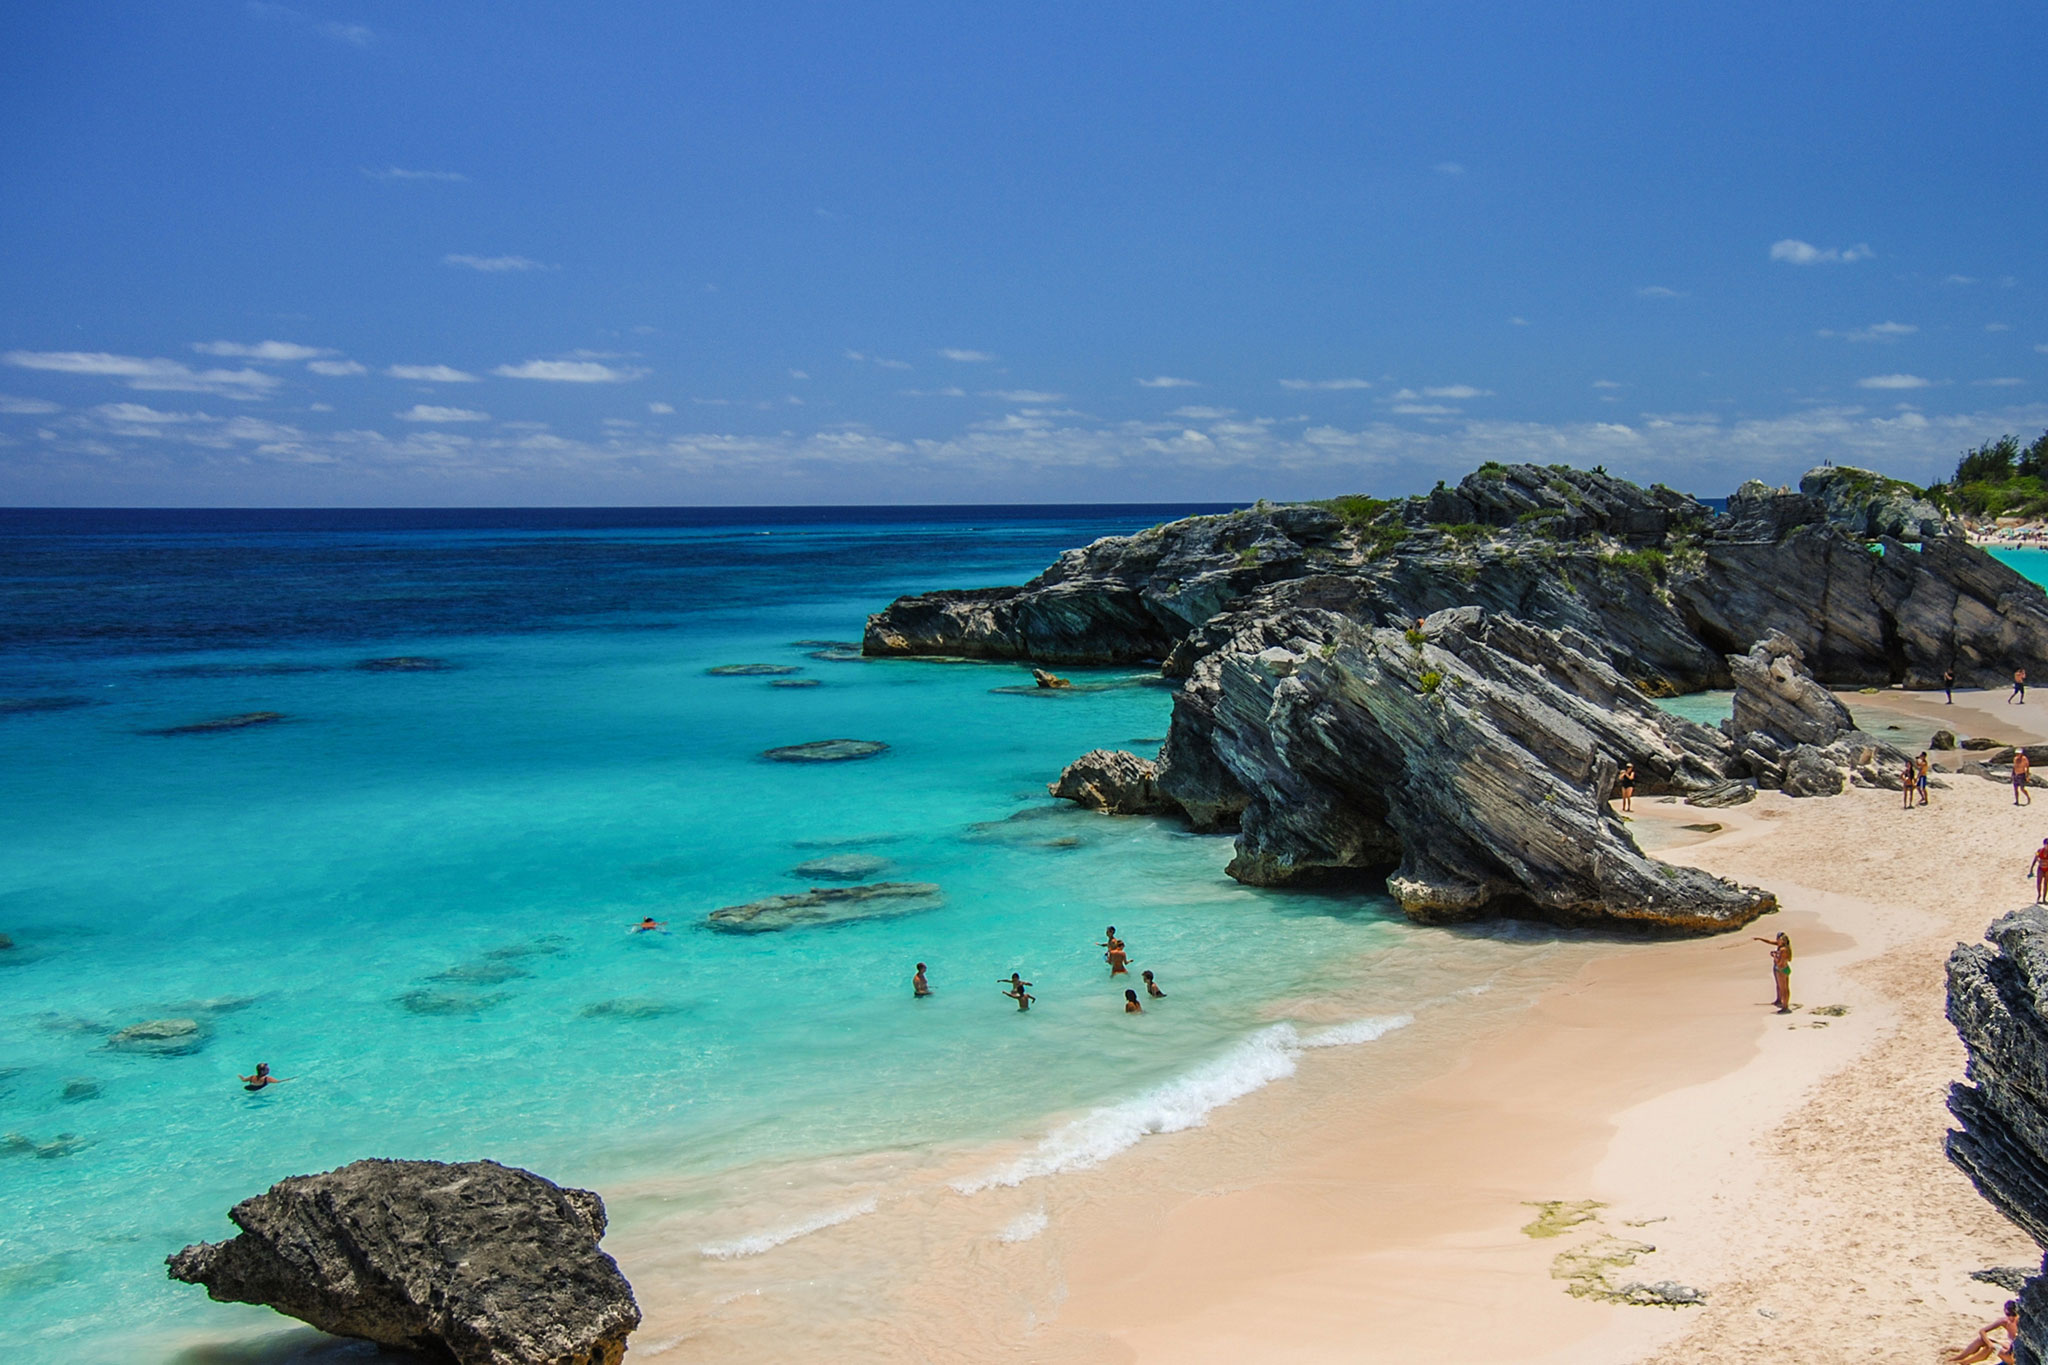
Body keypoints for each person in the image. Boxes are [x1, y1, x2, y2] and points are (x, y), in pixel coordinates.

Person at [1949, 1299, 2018, 1363]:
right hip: (2009, 1349)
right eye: (2008, 1315)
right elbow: (1982, 1331)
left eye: (2013, 1315)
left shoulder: (2021, 1323)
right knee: (1982, 1340)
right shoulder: (2005, 1321)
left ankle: (1964, 1362)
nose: (2011, 1317)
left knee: (1993, 1347)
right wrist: (1989, 1343)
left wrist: (1992, 1345)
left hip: (2015, 1357)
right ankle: (1958, 1358)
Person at [1752, 932, 1792, 1013]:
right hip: (1785, 968)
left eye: (1778, 939)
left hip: (1781, 970)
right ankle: (1784, 1005)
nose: (1777, 940)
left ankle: (1785, 1007)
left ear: (1782, 941)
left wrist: (1774, 956)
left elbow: (1779, 963)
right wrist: (1760, 939)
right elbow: (1770, 942)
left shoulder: (1783, 950)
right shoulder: (1785, 948)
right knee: (1785, 988)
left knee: (1783, 989)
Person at [2030, 839, 2048, 905]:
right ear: (2044, 844)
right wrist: (2031, 869)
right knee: (2039, 883)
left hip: (2047, 869)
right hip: (2040, 869)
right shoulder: (2039, 851)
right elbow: (2035, 859)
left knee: (2046, 884)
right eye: (2047, 844)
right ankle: (2039, 896)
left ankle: (2044, 898)